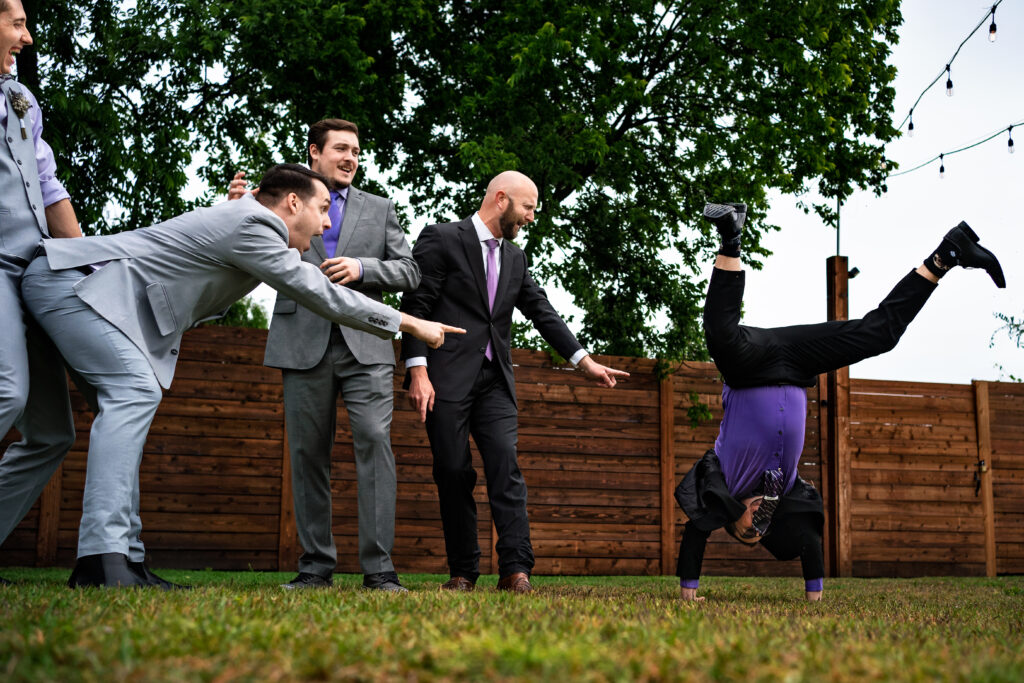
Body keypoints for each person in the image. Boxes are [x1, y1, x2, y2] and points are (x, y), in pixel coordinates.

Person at [13, 163, 462, 589]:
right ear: (291, 203)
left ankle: (125, 556)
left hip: (69, 289)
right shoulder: (255, 225)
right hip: (70, 286)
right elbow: (320, 293)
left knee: (56, 434)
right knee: (133, 393)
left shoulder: (246, 218)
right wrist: (409, 324)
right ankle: (103, 559)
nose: (327, 225)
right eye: (322, 209)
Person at [676, 201, 1005, 602]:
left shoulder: (723, 482)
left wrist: (688, 595)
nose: (759, 523)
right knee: (877, 336)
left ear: (729, 516)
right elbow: (808, 541)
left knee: (719, 336)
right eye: (761, 530)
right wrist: (814, 599)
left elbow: (696, 531)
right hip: (796, 363)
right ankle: (946, 256)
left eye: (748, 527)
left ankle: (731, 235)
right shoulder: (788, 488)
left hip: (750, 366)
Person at [400, 170, 629, 593]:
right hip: (445, 378)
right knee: (453, 473)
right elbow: (417, 305)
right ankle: (463, 572)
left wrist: (585, 363)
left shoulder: (516, 259)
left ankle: (516, 570)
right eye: (528, 207)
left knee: (506, 468)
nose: (531, 217)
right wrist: (418, 369)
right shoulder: (442, 238)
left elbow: (542, 312)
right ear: (501, 199)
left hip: (495, 382)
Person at [228, 120, 420, 593]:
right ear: (315, 152)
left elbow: (411, 271)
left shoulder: (381, 209)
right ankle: (315, 567)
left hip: (366, 344)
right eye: (340, 149)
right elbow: (241, 245)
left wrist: (363, 267)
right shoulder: (279, 202)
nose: (350, 157)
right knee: (307, 454)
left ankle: (380, 570)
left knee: (375, 442)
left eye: (356, 150)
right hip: (301, 342)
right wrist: (236, 209)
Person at [0, 0, 83, 586]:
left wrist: (83, 263)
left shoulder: (23, 101)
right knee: (7, 390)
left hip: (37, 271)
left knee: (53, 431)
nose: (26, 38)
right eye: (17, 23)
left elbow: (50, 190)